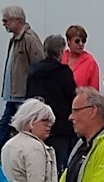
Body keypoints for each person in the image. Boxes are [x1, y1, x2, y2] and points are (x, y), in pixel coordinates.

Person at [0, 6, 47, 152]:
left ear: (17, 20)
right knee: (4, 128)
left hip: (22, 95)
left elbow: (38, 65)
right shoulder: (15, 40)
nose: (3, 23)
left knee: (16, 128)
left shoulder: (29, 39)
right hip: (13, 95)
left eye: (6, 20)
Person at [25, 34, 79, 168]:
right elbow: (73, 98)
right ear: (61, 52)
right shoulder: (63, 72)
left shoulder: (33, 72)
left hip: (37, 126)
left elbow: (28, 98)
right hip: (61, 128)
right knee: (60, 166)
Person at [61, 25, 100, 90]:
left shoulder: (90, 62)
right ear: (68, 41)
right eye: (77, 41)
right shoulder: (61, 57)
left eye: (83, 41)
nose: (81, 44)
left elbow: (94, 91)